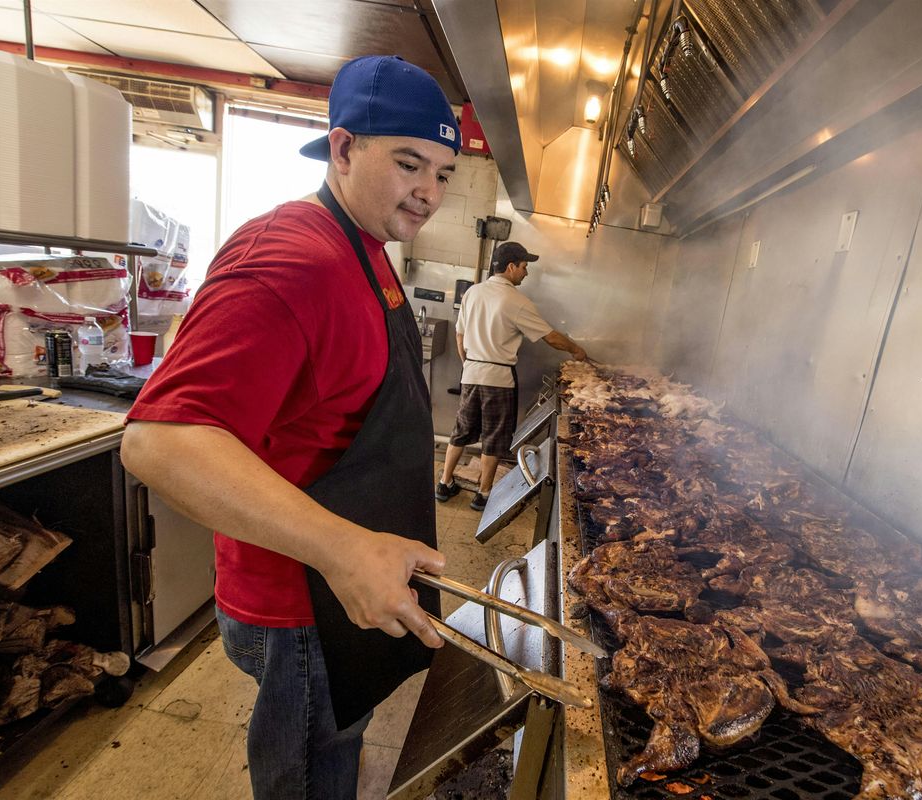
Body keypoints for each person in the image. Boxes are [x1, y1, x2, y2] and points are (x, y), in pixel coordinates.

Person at [120, 55, 460, 799]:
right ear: (343, 149)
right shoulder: (291, 257)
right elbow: (160, 439)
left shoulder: (365, 249)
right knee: (306, 774)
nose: (428, 192)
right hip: (300, 606)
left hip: (345, 592)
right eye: (410, 164)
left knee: (336, 747)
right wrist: (345, 549)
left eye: (443, 174)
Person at [436, 241, 587, 510]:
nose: (526, 273)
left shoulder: (473, 293)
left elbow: (459, 335)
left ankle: (444, 483)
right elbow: (550, 337)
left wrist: (470, 365)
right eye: (524, 267)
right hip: (499, 380)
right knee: (494, 438)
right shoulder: (516, 301)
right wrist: (576, 350)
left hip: (470, 373)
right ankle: (482, 494)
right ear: (511, 267)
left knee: (461, 431)